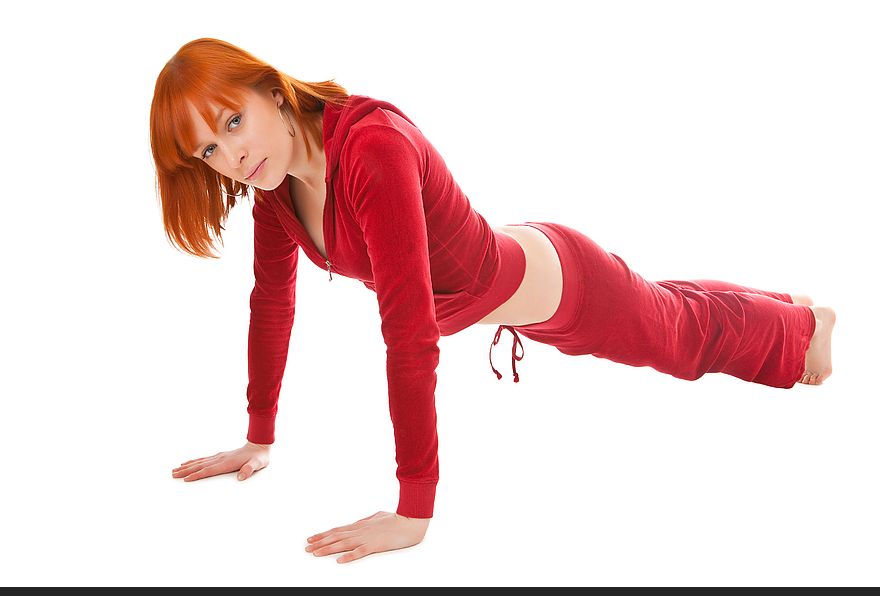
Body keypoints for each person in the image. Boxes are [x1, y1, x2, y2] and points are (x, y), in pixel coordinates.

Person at [151, 38, 835, 564]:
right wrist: (259, 434)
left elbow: (409, 332)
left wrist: (413, 508)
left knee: (683, 340)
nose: (230, 158)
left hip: (564, 287)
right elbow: (271, 302)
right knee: (668, 307)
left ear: (272, 90)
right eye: (210, 149)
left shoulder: (371, 148)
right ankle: (783, 306)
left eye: (233, 122)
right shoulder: (276, 195)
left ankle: (804, 327)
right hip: (515, 289)